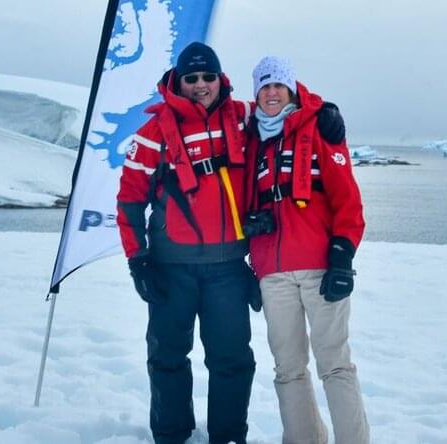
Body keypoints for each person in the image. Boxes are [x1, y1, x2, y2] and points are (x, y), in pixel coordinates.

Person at [116, 42, 346, 444]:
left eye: (208, 76)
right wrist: (138, 260)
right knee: (167, 357)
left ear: (219, 79)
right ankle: (171, 434)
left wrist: (323, 110)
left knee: (233, 360)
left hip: (227, 270)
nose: (200, 85)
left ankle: (228, 436)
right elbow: (129, 202)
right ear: (178, 82)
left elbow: (284, 107)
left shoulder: (242, 118)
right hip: (171, 269)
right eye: (192, 78)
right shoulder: (152, 135)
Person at [242, 56, 369, 444]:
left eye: (278, 86)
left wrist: (342, 257)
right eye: (264, 87)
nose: (271, 93)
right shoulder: (253, 139)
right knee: (288, 368)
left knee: (335, 365)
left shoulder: (319, 127)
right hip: (273, 273)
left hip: (320, 268)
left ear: (292, 89)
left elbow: (348, 200)